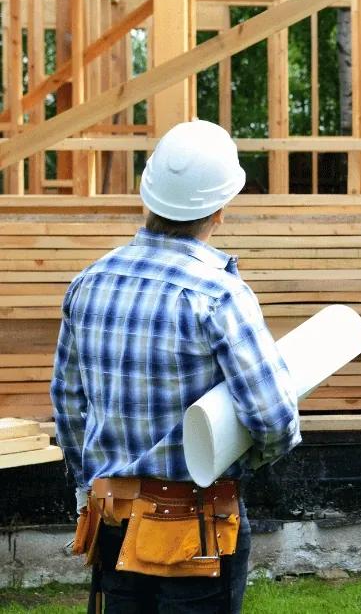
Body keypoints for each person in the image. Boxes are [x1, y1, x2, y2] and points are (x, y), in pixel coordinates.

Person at [51, 119, 301, 614]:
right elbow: (274, 421)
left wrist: (90, 483)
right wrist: (237, 459)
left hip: (113, 519)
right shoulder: (218, 293)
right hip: (197, 529)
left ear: (149, 195)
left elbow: (67, 405)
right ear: (220, 209)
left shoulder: (89, 283)